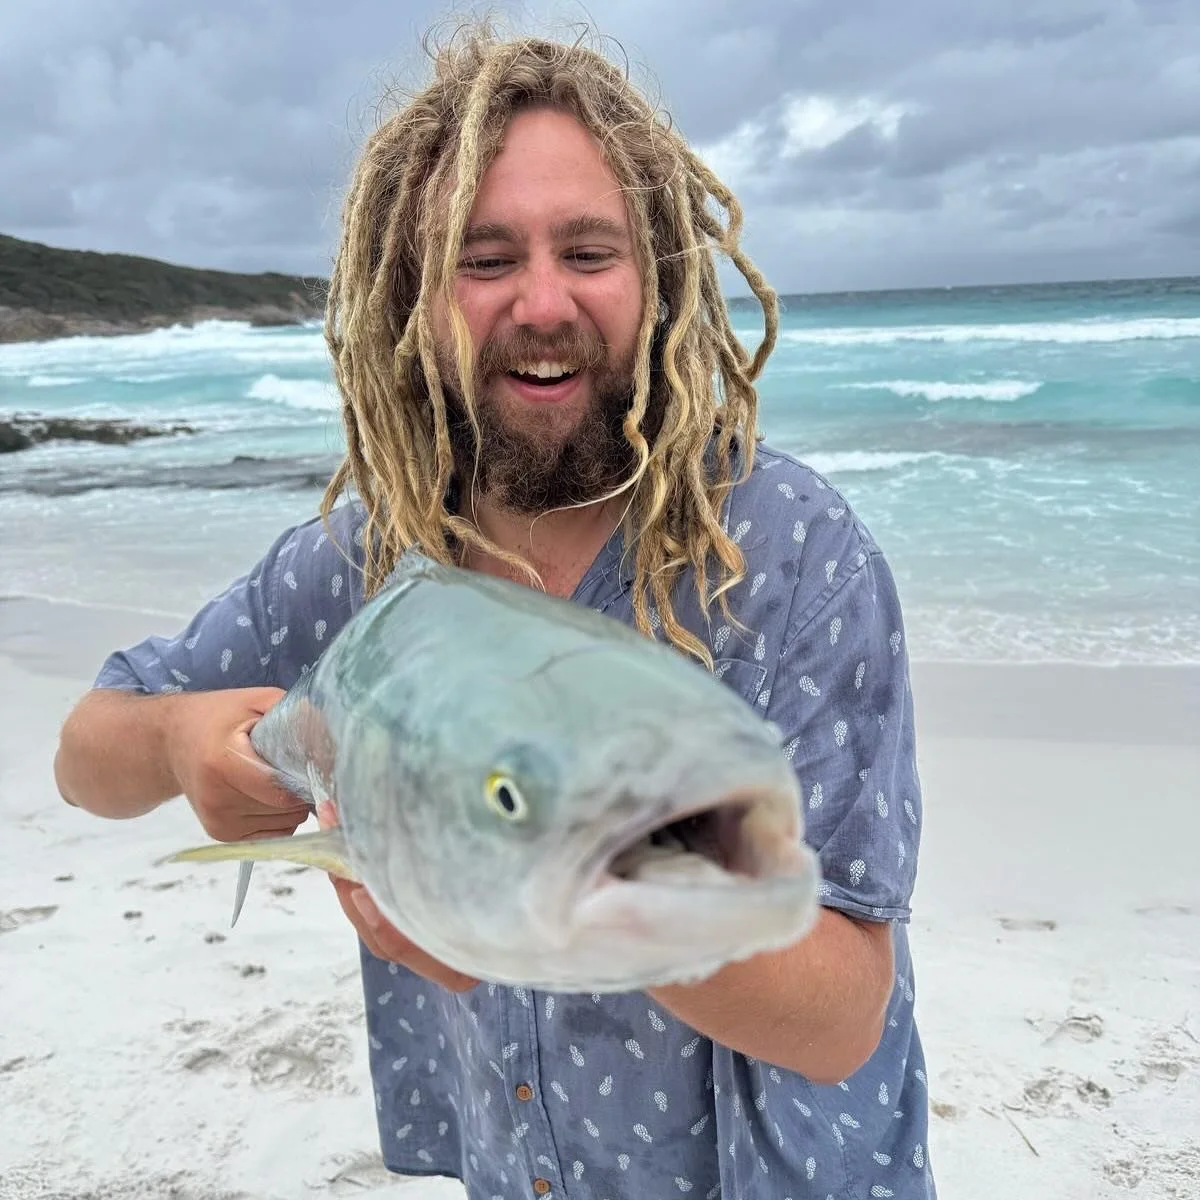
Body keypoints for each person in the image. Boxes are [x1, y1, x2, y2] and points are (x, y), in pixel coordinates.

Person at [54, 21, 935, 1200]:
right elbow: (88, 753)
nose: (541, 302)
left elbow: (843, 1016)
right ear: (415, 298)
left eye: (588, 250)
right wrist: (183, 744)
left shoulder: (784, 559)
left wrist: (561, 879)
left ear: (658, 274)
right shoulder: (372, 564)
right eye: (483, 258)